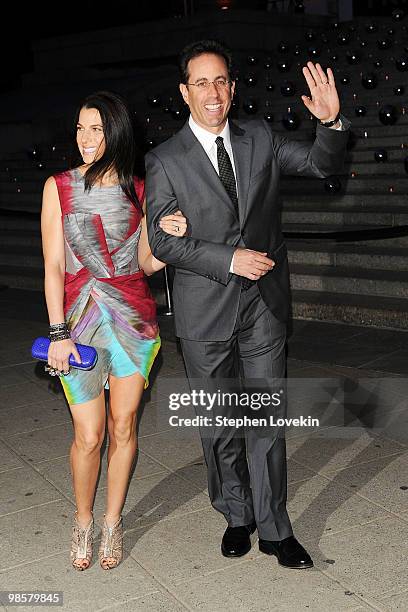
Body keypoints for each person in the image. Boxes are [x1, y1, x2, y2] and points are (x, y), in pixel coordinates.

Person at [146, 40, 350, 570]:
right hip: (203, 310)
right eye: (202, 82)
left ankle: (276, 529)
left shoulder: (260, 137)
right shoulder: (164, 159)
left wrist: (330, 124)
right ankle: (236, 514)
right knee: (219, 424)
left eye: (221, 81)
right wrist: (228, 258)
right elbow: (162, 241)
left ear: (232, 88)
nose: (213, 92)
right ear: (184, 92)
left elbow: (319, 163)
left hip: (263, 305)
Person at [41, 90, 187, 571]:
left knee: (124, 426)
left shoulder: (139, 189)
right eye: (80, 128)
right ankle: (82, 520)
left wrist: (168, 237)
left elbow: (145, 263)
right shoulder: (58, 187)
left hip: (133, 319)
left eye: (96, 129)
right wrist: (58, 331)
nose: (85, 139)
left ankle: (112, 521)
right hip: (78, 323)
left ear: (116, 132)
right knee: (89, 434)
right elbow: (53, 266)